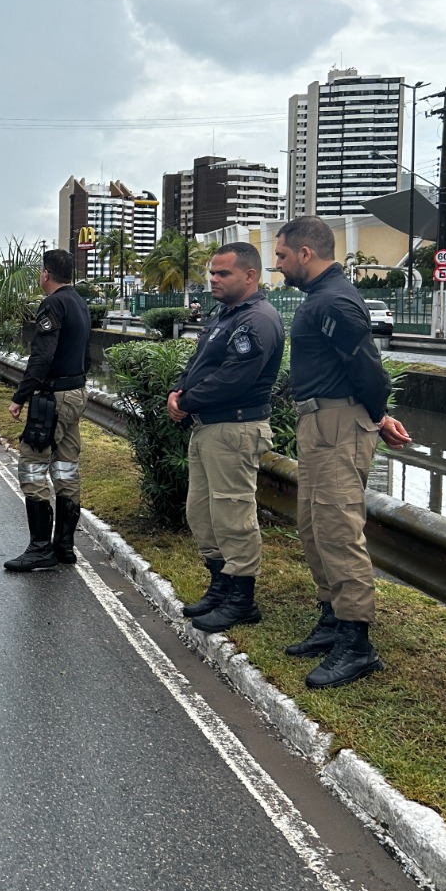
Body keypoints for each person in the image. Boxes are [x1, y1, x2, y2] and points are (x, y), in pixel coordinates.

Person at [273, 216, 411, 688]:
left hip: (338, 423)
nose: (278, 265)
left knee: (337, 527)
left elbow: (368, 368)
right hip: (319, 421)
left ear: (306, 254)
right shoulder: (321, 298)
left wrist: (375, 415)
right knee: (313, 525)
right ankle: (332, 619)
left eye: (282, 256)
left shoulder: (333, 300)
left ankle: (357, 643)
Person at [167, 243, 285, 633]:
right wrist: (178, 389)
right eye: (212, 273)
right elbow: (200, 363)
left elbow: (236, 377)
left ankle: (241, 599)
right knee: (202, 513)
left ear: (250, 276)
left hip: (235, 429)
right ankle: (219, 587)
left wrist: (187, 400)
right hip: (208, 427)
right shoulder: (225, 315)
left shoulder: (258, 320)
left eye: (223, 274)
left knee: (233, 516)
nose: (214, 280)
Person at [5, 249, 91, 571]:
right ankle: (64, 546)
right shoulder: (79, 303)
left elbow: (41, 356)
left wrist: (20, 396)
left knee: (31, 464)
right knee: (66, 466)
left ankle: (40, 548)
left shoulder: (52, 304)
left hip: (53, 398)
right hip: (76, 393)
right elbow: (86, 355)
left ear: (45, 274)